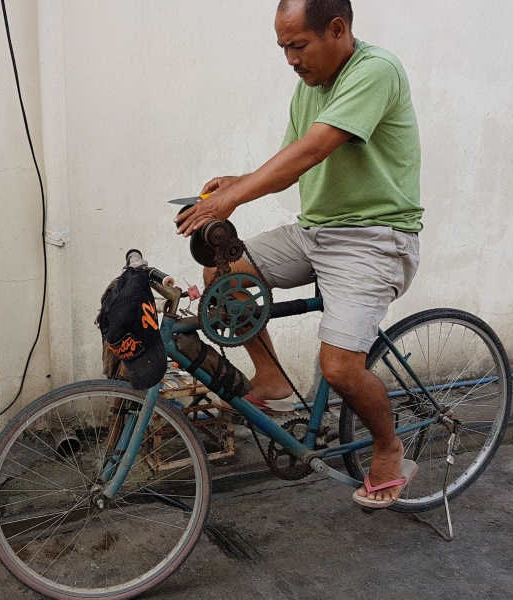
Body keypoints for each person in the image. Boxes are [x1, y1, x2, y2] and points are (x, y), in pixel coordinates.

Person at [175, 0, 423, 508]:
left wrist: (233, 198)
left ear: (337, 29)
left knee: (338, 369)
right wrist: (237, 181)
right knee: (227, 268)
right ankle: (271, 376)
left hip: (375, 238)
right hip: (317, 232)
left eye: (298, 45)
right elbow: (292, 156)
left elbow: (313, 150)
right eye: (283, 47)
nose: (290, 58)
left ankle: (388, 447)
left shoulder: (375, 70)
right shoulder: (308, 86)